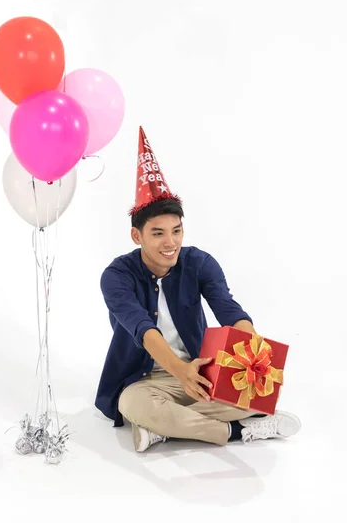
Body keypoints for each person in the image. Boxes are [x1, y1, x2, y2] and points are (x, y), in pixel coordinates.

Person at [95, 127, 301, 452]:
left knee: (259, 392)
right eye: (158, 233)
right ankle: (237, 432)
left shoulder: (199, 263)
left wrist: (253, 357)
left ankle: (164, 429)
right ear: (137, 237)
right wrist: (180, 372)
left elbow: (230, 312)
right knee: (131, 404)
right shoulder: (117, 276)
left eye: (176, 231)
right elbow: (142, 329)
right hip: (146, 378)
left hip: (200, 369)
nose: (170, 242)